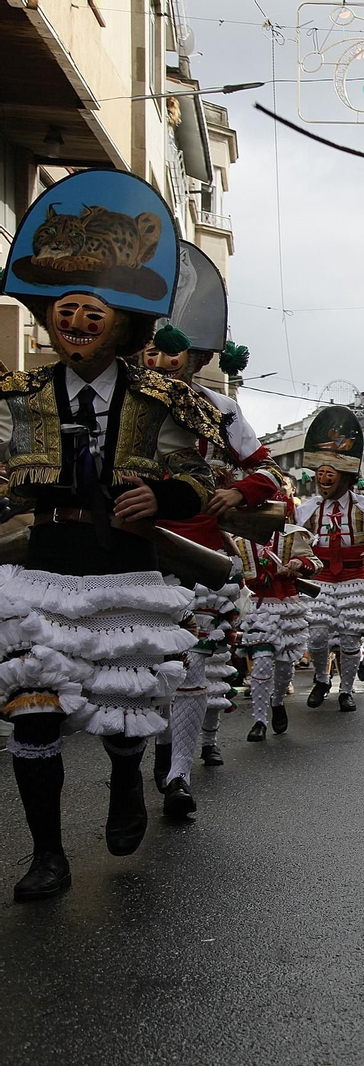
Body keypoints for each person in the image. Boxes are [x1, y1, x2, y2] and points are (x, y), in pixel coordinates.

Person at [0, 168, 225, 900]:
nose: (76, 323)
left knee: (125, 708)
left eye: (92, 313)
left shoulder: (165, 400)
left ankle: (129, 777)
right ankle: (47, 855)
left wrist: (155, 494)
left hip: (125, 567)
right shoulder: (20, 401)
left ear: (124, 324)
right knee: (32, 709)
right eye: (66, 311)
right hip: (44, 570)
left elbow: (197, 479)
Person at [138, 241, 280, 802]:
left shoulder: (220, 410)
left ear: (198, 358)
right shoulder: (118, 401)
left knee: (193, 663)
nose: (162, 360)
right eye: (151, 348)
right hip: (129, 553)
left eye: (174, 350)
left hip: (197, 554)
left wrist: (236, 492)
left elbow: (267, 476)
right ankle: (143, 758)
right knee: (137, 668)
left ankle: (177, 774)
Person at [296, 406, 364, 711]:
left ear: (345, 476)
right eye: (320, 474)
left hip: (354, 577)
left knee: (351, 639)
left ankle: (347, 690)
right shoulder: (309, 509)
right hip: (321, 579)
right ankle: (322, 680)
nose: (323, 480)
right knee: (317, 635)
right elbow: (297, 541)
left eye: (330, 474)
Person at [237, 501, 319, 740]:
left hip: (287, 605)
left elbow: (315, 564)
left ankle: (278, 701)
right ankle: (259, 721)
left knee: (284, 664)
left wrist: (300, 564)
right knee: (261, 661)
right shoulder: (238, 538)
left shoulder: (292, 535)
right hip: (257, 606)